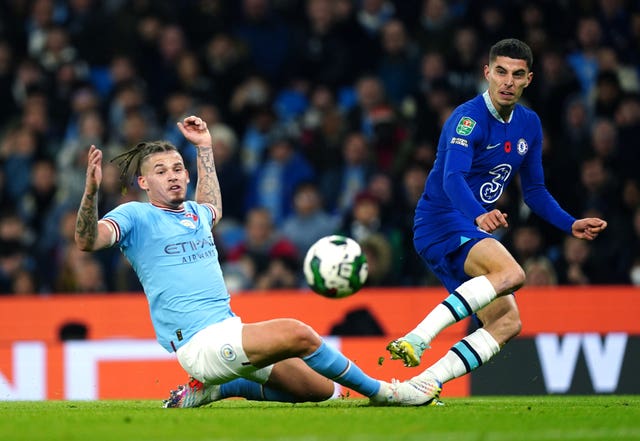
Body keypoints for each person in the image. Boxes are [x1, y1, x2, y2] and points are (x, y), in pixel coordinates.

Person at [74, 114, 436, 408]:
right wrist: (90, 193)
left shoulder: (195, 214)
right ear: (143, 182)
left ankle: (224, 387)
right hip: (199, 345)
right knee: (299, 333)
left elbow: (211, 205)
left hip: (229, 328)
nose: (173, 176)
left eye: (178, 168)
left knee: (321, 392)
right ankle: (386, 392)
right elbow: (87, 240)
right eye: (161, 171)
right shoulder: (135, 215)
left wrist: (204, 147)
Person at [385, 39, 608, 402]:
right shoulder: (467, 118)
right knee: (513, 273)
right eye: (501, 72)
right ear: (487, 73)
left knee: (507, 323)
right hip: (441, 220)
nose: (508, 81)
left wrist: (570, 224)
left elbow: (534, 191)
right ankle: (418, 338)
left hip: (468, 228)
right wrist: (479, 213)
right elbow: (452, 179)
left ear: (529, 79)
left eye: (517, 75)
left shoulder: (529, 124)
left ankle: (422, 384)